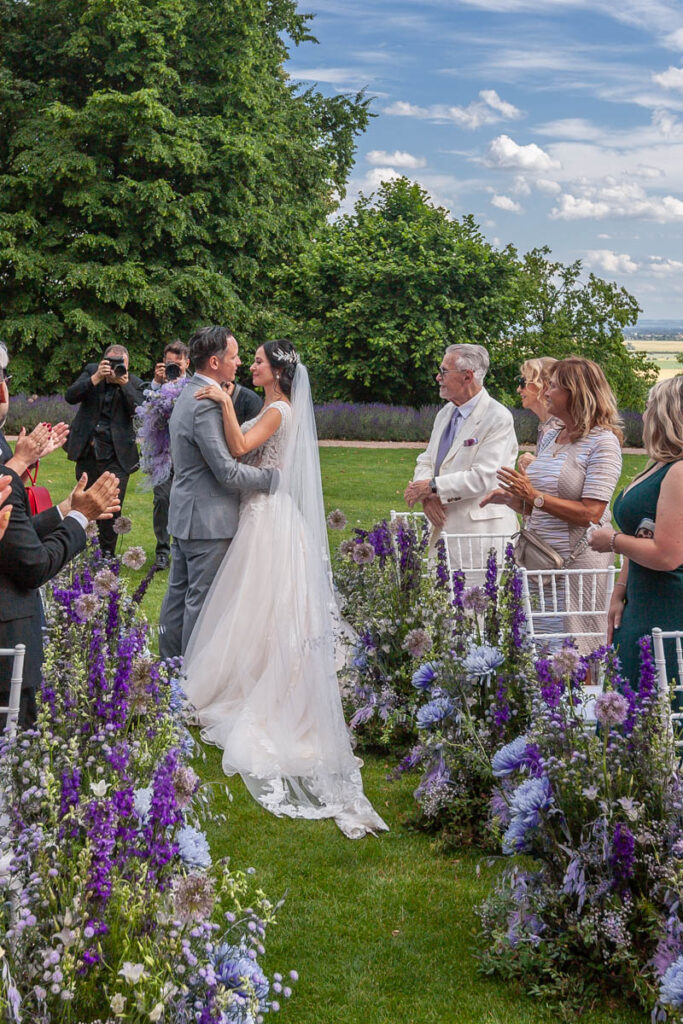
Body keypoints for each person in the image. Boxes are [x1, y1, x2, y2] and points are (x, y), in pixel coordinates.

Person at [182, 340, 388, 839]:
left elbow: (238, 449)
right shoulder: (275, 406)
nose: (250, 366)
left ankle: (251, 688)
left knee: (258, 603)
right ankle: (246, 676)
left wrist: (225, 401)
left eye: (257, 361)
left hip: (267, 516)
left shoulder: (277, 410)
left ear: (276, 371)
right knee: (254, 606)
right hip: (263, 512)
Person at [482, 356, 623, 654]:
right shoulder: (551, 436)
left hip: (577, 568)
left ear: (576, 393)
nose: (546, 392)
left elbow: (591, 513)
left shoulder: (603, 442)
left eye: (554, 386)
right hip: (540, 563)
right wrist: (513, 499)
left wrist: (533, 496)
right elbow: (541, 505)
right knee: (540, 653)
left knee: (577, 655)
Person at [158, 327, 276, 660]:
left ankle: (168, 668)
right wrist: (273, 479)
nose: (239, 363)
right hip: (208, 522)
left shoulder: (187, 391)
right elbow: (227, 472)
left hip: (186, 514)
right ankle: (189, 674)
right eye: (234, 357)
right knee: (201, 604)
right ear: (214, 362)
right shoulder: (205, 404)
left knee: (177, 598)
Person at [589, 376, 683, 689]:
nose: (642, 416)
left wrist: (612, 541)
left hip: (666, 605)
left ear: (666, 415)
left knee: (655, 697)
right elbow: (642, 534)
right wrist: (620, 589)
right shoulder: (660, 464)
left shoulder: (679, 471)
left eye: (648, 407)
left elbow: (667, 555)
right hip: (640, 601)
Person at [404, 343, 518, 574]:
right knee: (436, 596)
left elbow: (484, 478)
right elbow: (426, 460)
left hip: (478, 539)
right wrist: (426, 495)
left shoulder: (498, 418)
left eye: (444, 371)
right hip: (442, 531)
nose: (438, 377)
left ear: (468, 376)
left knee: (474, 599)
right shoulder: (445, 413)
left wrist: (432, 487)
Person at [65, 345, 145, 556]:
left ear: (127, 365)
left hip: (117, 457)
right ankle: (82, 554)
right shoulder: (92, 372)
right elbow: (70, 396)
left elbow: (142, 412)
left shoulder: (133, 382)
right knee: (83, 505)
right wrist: (96, 378)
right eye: (112, 364)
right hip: (88, 453)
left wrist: (124, 386)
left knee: (110, 509)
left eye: (121, 365)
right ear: (103, 362)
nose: (116, 369)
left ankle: (107, 557)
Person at [146, 340, 192, 570]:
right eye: (169, 363)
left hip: (187, 456)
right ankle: (162, 550)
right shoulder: (157, 386)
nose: (173, 367)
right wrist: (157, 384)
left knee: (185, 503)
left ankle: (182, 549)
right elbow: (145, 411)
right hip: (162, 455)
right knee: (162, 500)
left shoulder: (194, 385)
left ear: (187, 363)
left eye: (177, 363)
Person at [516, 356, 558, 473]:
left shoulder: (563, 428)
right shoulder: (545, 425)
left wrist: (537, 464)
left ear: (544, 385)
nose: (518, 390)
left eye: (523, 382)